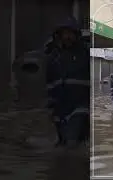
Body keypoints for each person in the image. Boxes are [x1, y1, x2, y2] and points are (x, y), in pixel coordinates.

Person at [45, 17, 89, 148]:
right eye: (64, 33)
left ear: (76, 35)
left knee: (71, 142)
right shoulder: (54, 56)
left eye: (70, 33)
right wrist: (51, 103)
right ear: (59, 36)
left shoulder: (85, 53)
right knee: (64, 143)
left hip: (80, 105)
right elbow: (49, 81)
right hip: (60, 107)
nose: (67, 37)